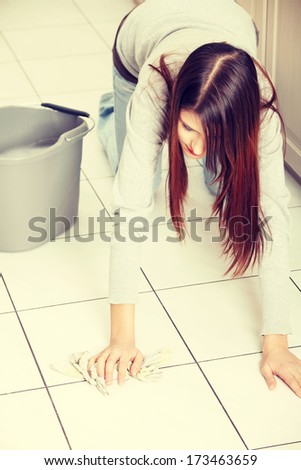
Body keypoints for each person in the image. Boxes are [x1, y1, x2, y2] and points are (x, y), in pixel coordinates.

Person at [88, 0, 301, 398]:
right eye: (187, 128)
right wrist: (122, 338)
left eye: (213, 136)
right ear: (177, 111)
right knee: (137, 176)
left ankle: (200, 131)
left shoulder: (262, 107)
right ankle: (112, 113)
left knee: (227, 177)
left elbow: (273, 212)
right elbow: (129, 208)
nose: (196, 147)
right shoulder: (155, 89)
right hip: (139, 48)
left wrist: (278, 342)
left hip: (232, 25)